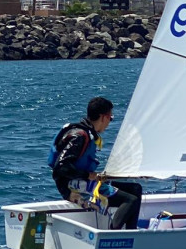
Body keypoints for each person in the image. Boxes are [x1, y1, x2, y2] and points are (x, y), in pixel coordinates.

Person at [48, 96, 141, 230]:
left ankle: (131, 233)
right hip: (72, 186)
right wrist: (87, 175)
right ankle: (113, 236)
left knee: (135, 189)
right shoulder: (80, 136)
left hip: (83, 182)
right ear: (103, 117)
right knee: (130, 200)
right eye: (110, 118)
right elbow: (60, 167)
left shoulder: (86, 132)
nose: (110, 122)